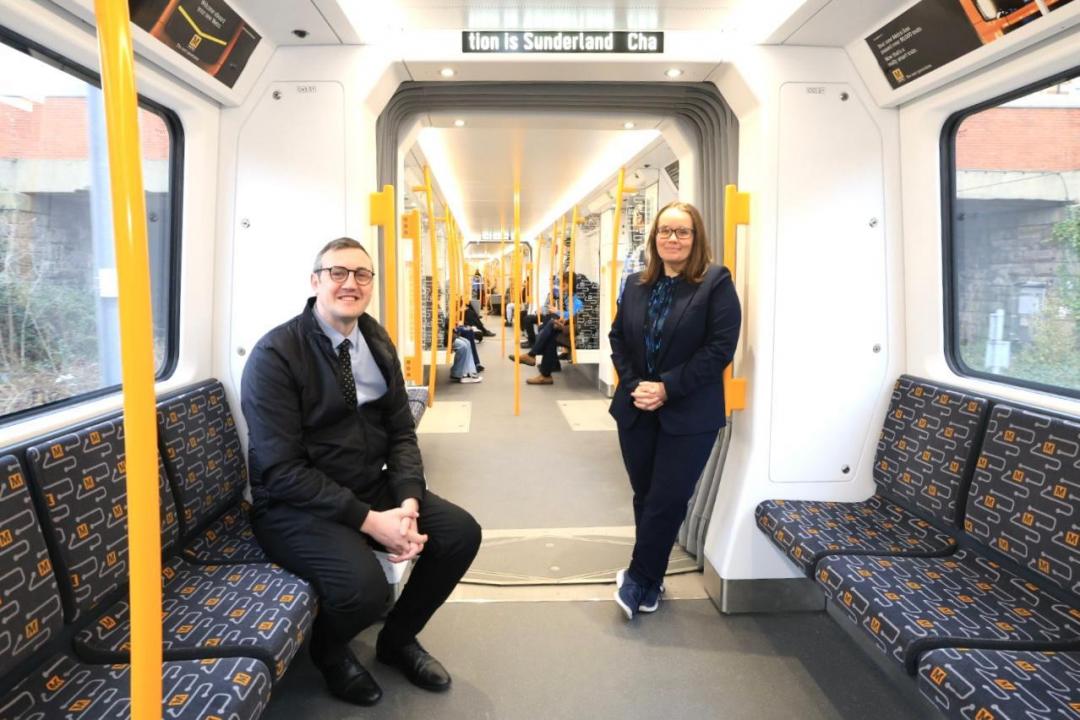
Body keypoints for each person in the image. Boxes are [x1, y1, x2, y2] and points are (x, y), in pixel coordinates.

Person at [241, 237, 482, 706]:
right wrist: (373, 522)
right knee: (364, 590)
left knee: (459, 534)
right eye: (338, 273)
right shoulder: (276, 355)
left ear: (371, 284)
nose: (351, 283)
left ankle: (397, 640)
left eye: (362, 275)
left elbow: (399, 431)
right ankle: (329, 652)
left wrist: (408, 502)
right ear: (315, 282)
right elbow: (281, 469)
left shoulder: (374, 339)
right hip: (293, 505)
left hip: (369, 483)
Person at [608, 201, 741, 619]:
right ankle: (652, 578)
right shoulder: (634, 285)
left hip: (689, 413)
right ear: (654, 239)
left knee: (668, 497)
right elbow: (617, 339)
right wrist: (636, 387)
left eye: (682, 232)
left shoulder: (715, 283)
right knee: (646, 495)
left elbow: (719, 348)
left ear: (696, 237)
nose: (672, 239)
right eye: (665, 231)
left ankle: (637, 579)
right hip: (636, 409)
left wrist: (666, 388)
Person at [509, 274, 583, 385]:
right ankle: (544, 373)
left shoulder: (576, 299)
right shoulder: (566, 296)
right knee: (549, 336)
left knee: (549, 327)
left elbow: (572, 316)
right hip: (566, 326)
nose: (562, 286)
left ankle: (533, 356)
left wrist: (557, 312)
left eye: (565, 284)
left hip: (571, 331)